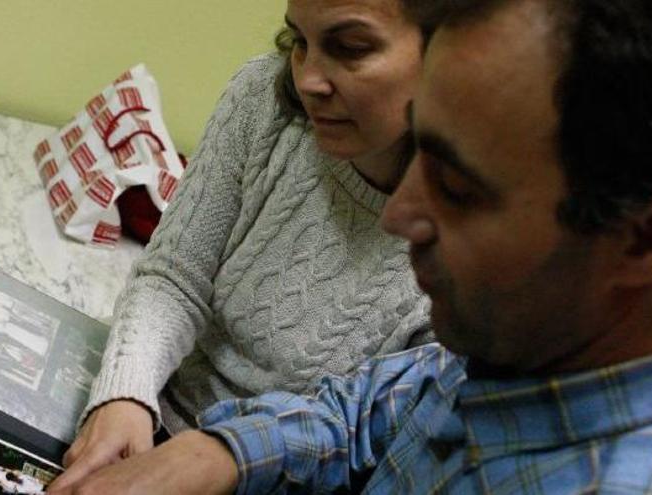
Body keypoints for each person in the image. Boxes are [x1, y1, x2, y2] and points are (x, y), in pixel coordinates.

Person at [48, 0, 652, 493]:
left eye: (458, 188)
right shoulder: (520, 342)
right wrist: (216, 452)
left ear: (651, 240)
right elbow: (370, 411)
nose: (399, 214)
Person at [51, 0, 432, 490]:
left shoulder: (470, 240)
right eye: (300, 42)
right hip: (156, 405)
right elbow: (172, 276)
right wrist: (124, 395)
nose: (308, 79)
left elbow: (367, 435)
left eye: (350, 47)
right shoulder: (262, 98)